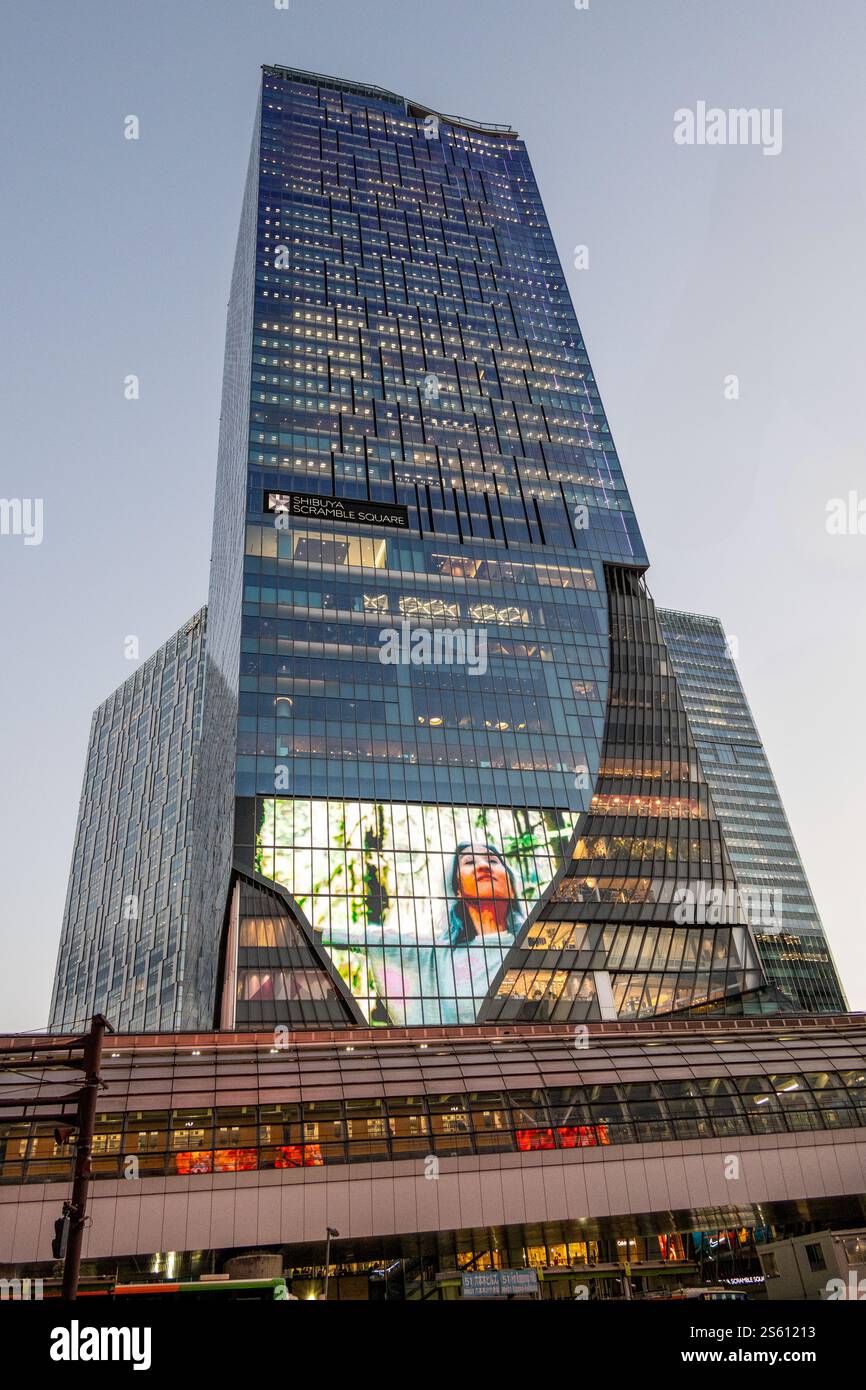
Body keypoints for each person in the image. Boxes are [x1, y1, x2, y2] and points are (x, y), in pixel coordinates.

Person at [319, 841, 523, 1025]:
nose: (483, 866)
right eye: (469, 862)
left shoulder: (535, 940)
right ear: (457, 890)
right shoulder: (439, 953)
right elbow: (375, 939)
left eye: (493, 861)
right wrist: (296, 927)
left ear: (512, 889)